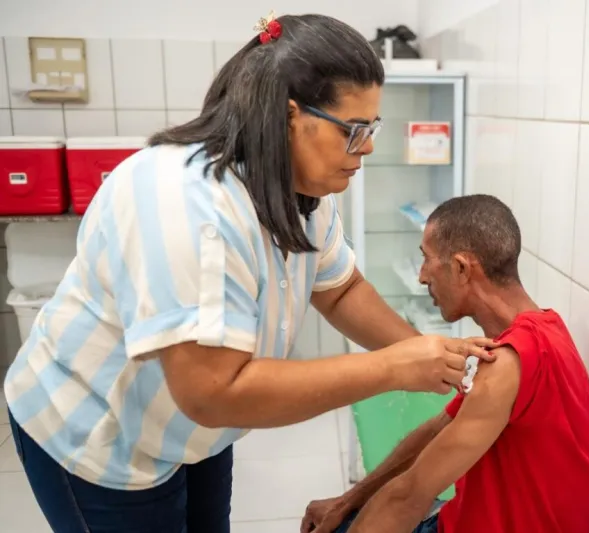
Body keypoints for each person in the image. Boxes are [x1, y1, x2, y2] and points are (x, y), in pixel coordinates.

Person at [2, 13, 496, 533]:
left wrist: (430, 356)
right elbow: (213, 391)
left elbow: (340, 288)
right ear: (288, 117)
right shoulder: (186, 202)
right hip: (101, 435)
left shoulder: (302, 189)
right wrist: (394, 368)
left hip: (192, 426)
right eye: (354, 131)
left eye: (372, 129)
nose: (368, 147)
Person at [301, 194, 589, 533]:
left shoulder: (508, 362)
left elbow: (408, 495)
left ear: (461, 268)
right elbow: (436, 431)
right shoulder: (546, 329)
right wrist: (348, 501)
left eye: (426, 259)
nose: (421, 276)